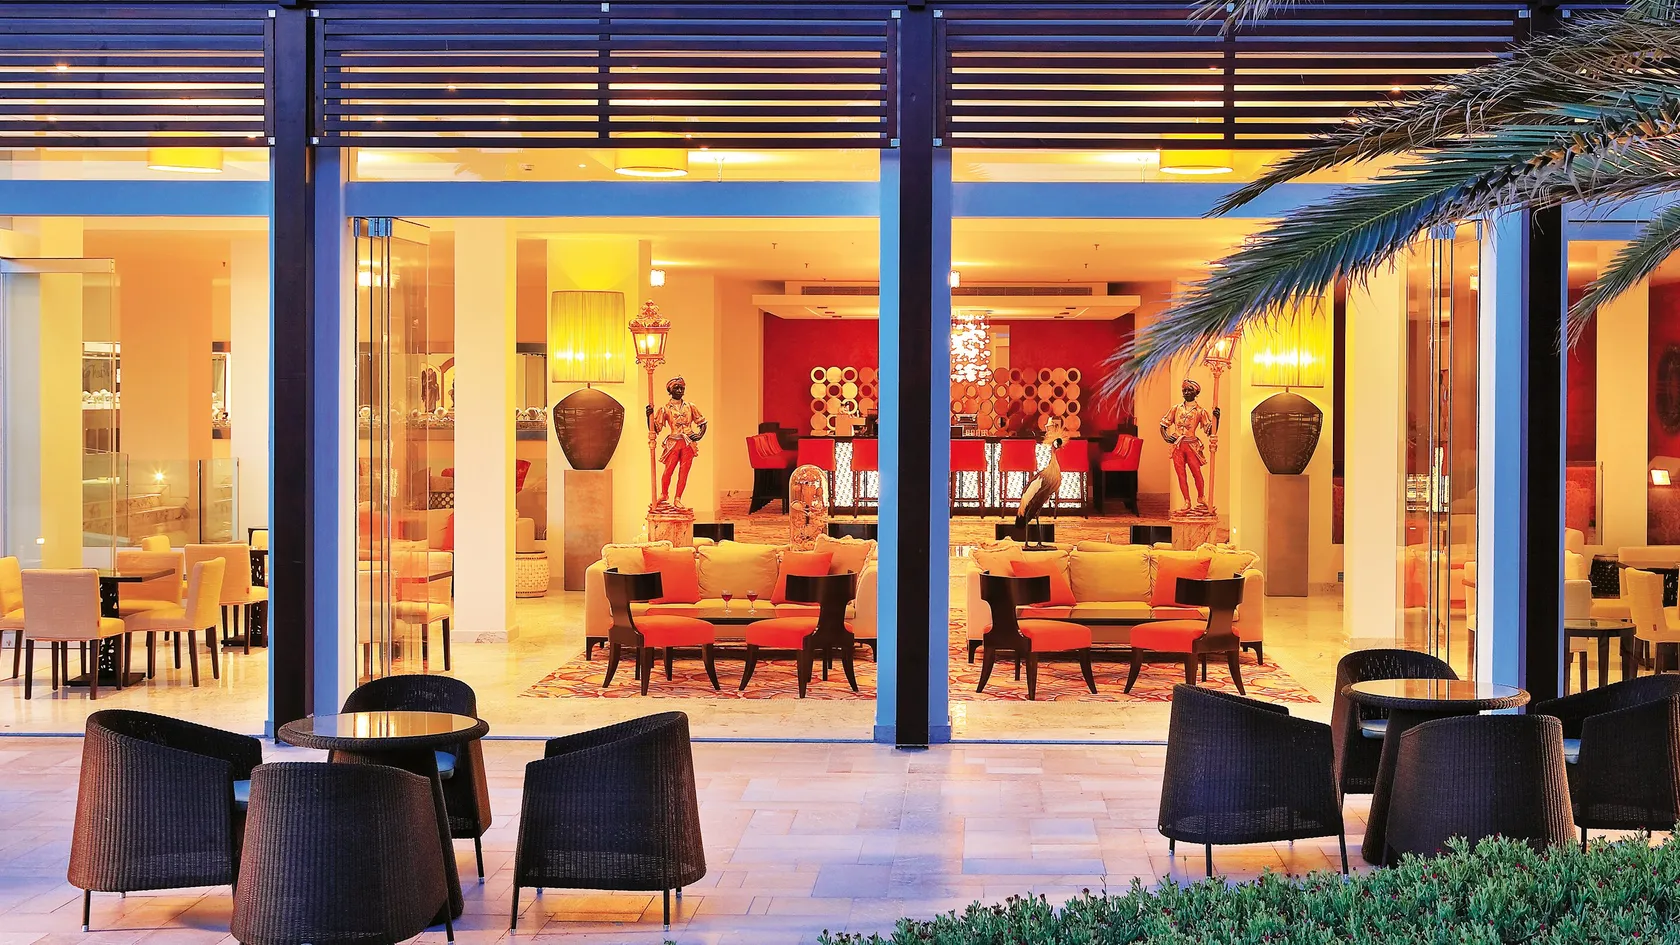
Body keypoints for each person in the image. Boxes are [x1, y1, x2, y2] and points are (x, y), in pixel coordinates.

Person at [647, 375, 707, 509]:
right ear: (670, 390)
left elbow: (702, 422)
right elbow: (655, 429)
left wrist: (699, 435)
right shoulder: (665, 409)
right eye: (676, 388)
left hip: (688, 443)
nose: (679, 391)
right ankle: (664, 494)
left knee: (684, 472)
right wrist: (648, 416)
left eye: (682, 388)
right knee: (668, 470)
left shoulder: (690, 407)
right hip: (673, 443)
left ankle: (678, 498)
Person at [1159, 378, 1218, 513]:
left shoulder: (1200, 411)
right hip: (1177, 445)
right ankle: (1187, 501)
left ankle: (1201, 497)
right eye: (1184, 390)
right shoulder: (1176, 409)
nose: (1186, 392)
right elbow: (1163, 425)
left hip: (1192, 445)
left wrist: (1217, 419)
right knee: (1181, 474)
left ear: (1196, 393)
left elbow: (1210, 431)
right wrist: (1166, 437)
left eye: (1189, 390)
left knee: (1197, 473)